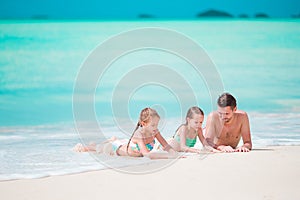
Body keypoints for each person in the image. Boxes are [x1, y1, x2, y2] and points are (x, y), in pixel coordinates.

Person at [74, 107, 179, 159]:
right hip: (115, 149)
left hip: (125, 144)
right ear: (143, 123)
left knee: (112, 143)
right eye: (153, 125)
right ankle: (85, 147)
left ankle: (113, 139)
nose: (156, 128)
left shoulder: (155, 132)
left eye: (157, 124)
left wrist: (174, 153)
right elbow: (146, 154)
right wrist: (168, 156)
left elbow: (166, 146)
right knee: (98, 149)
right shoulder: (139, 135)